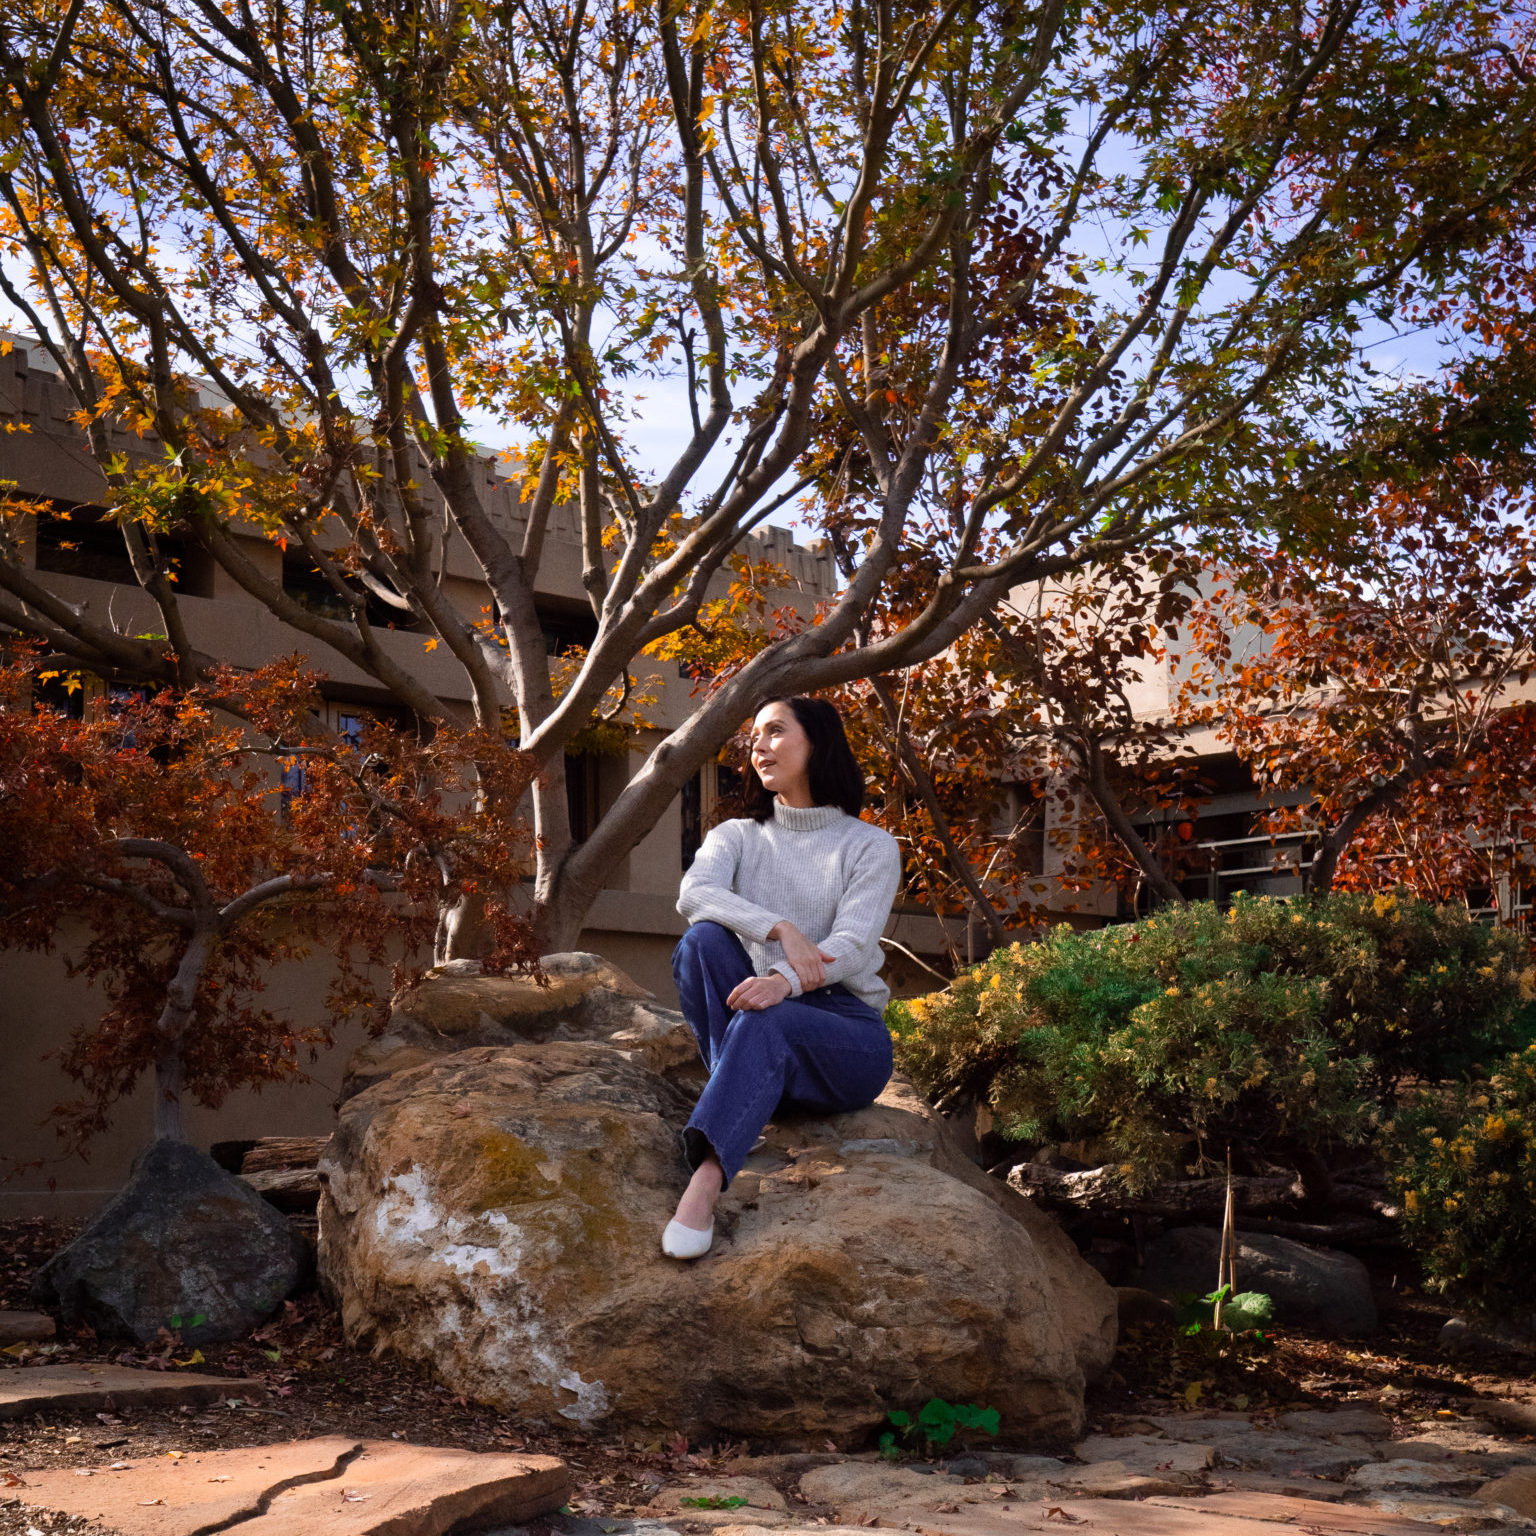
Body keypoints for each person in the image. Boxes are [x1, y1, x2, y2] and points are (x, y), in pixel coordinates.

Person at [663, 695, 902, 1260]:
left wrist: (786, 983)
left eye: (775, 732)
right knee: (701, 940)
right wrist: (779, 929)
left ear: (816, 743)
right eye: (754, 737)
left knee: (771, 1019)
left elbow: (850, 947)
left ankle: (705, 1181)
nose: (758, 746)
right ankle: (747, 1088)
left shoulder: (870, 845)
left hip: (844, 1036)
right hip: (760, 1021)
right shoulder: (737, 837)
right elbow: (693, 895)